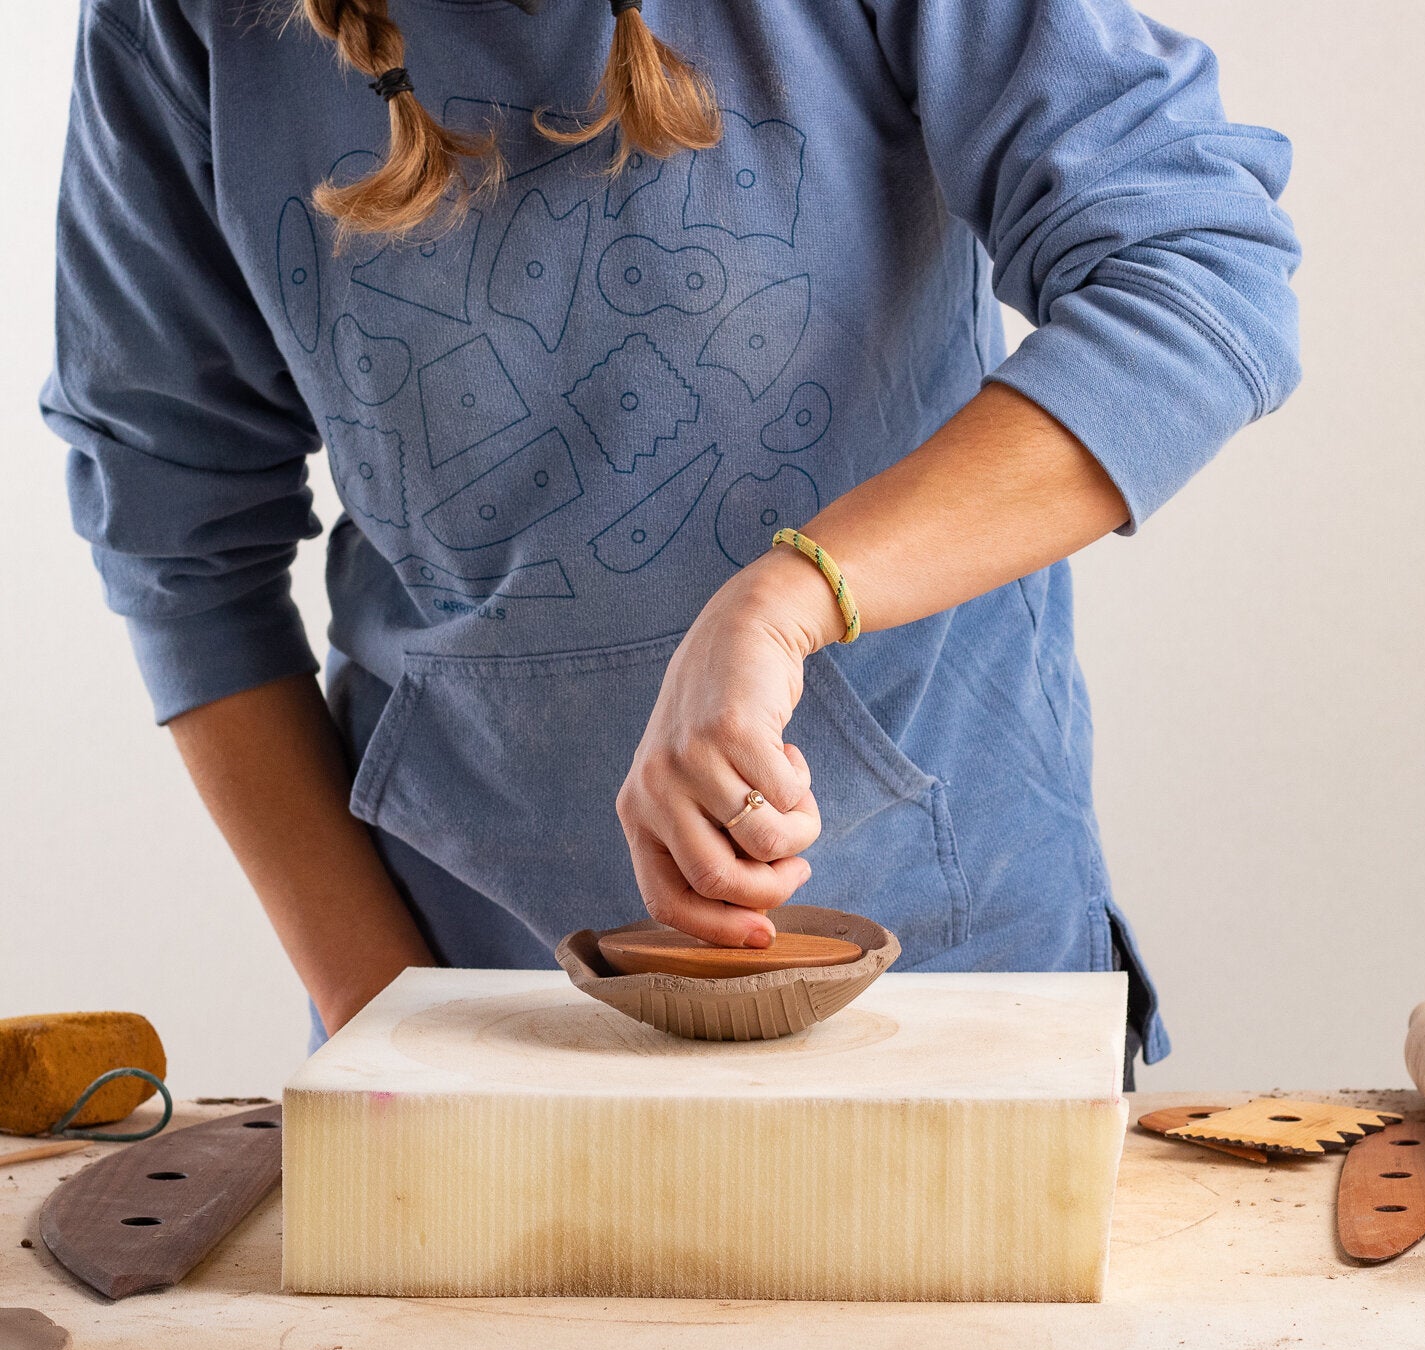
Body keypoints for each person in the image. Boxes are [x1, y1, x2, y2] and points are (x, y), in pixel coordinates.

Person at [41, 0, 1301, 1085]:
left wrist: (791, 599)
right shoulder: (175, 23)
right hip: (464, 1006)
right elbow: (174, 533)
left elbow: (1198, 277)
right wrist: (389, 1024)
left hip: (952, 989)